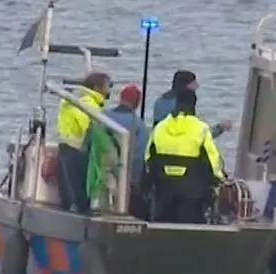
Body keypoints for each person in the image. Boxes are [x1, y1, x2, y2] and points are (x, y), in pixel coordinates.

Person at [143, 87, 225, 224]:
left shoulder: (160, 128)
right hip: (194, 196)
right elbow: (213, 162)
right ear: (194, 105)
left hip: (163, 193)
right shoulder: (201, 129)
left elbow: (147, 159)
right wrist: (219, 180)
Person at [86, 84, 147, 215]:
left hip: (98, 174)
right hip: (124, 178)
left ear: (120, 98)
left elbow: (88, 143)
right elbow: (138, 158)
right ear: (137, 103)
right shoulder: (139, 126)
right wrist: (134, 183)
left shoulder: (101, 117)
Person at [56, 71, 110, 214]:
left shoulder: (76, 98)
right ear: (97, 87)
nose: (109, 90)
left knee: (69, 187)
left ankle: (71, 210)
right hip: (77, 147)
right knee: (80, 186)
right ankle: (82, 212)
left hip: (67, 145)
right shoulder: (87, 103)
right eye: (107, 86)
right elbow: (89, 127)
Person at [153, 69, 233, 136]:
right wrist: (221, 127)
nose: (197, 86)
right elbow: (197, 134)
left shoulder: (161, 100)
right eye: (193, 83)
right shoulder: (183, 103)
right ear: (185, 85)